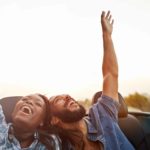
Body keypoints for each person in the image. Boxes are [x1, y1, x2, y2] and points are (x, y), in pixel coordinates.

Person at [49, 11, 135, 150]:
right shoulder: (58, 145)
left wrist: (107, 35)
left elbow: (110, 75)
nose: (67, 96)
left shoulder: (101, 115)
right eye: (58, 99)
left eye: (66, 95)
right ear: (54, 119)